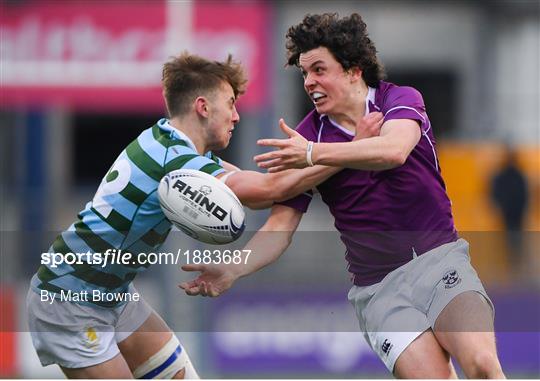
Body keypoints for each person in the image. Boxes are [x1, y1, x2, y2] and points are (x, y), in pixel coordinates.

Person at [180, 14, 506, 378]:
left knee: (481, 365)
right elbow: (280, 227)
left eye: (319, 69)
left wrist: (312, 155)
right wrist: (234, 268)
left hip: (440, 263)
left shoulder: (396, 100)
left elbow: (393, 151)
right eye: (304, 73)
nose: (309, 82)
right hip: (380, 293)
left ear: (353, 69)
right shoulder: (307, 135)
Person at [26, 52, 341, 379]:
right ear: (203, 107)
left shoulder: (171, 145)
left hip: (113, 297)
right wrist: (345, 152)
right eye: (230, 104)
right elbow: (269, 190)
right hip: (68, 298)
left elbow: (259, 190)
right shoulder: (175, 161)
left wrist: (319, 161)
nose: (236, 116)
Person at [490, 146, 529, 278]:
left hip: (513, 213)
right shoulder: (517, 175)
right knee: (513, 240)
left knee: (513, 241)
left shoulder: (512, 175)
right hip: (512, 213)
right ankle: (513, 267)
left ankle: (514, 267)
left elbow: (497, 192)